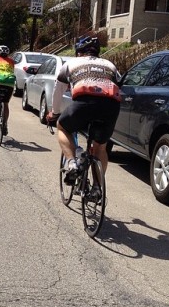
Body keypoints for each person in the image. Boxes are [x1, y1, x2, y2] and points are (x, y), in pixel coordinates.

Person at [47, 37, 121, 197]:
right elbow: (119, 86)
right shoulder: (110, 65)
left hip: (84, 103)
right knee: (100, 147)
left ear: (78, 52)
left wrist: (55, 112)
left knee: (63, 127)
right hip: (111, 106)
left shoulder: (71, 63)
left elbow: (57, 91)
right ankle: (97, 188)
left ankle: (72, 164)